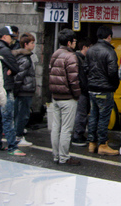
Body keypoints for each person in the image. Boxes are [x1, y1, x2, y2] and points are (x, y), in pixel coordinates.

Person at [49, 28, 81, 165]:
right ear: (69, 42)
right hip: (68, 98)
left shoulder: (55, 54)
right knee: (66, 129)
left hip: (55, 96)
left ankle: (56, 156)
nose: (75, 43)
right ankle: (64, 157)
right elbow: (73, 80)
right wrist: (77, 95)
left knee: (56, 127)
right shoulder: (71, 56)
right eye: (74, 41)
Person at [86, 25, 119, 155]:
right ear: (109, 37)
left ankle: (92, 143)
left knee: (93, 115)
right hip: (104, 90)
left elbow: (85, 68)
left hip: (92, 89)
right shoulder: (109, 51)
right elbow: (113, 72)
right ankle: (103, 144)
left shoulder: (90, 50)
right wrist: (114, 85)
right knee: (104, 118)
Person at [0, 26, 23, 156]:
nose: (12, 40)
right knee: (8, 118)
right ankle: (12, 147)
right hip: (6, 87)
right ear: (4, 37)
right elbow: (15, 67)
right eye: (11, 37)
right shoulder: (5, 50)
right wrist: (11, 70)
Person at [13, 33, 37, 147]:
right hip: (24, 90)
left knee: (20, 113)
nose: (34, 45)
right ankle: (18, 136)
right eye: (32, 43)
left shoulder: (23, 57)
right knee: (22, 114)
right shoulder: (25, 59)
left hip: (24, 90)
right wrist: (16, 91)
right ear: (26, 44)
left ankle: (18, 134)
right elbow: (19, 77)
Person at [71, 39, 91, 147]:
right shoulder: (78, 59)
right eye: (89, 47)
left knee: (82, 113)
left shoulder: (81, 58)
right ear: (84, 47)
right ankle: (77, 135)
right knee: (81, 113)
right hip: (81, 90)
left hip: (82, 89)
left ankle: (79, 133)